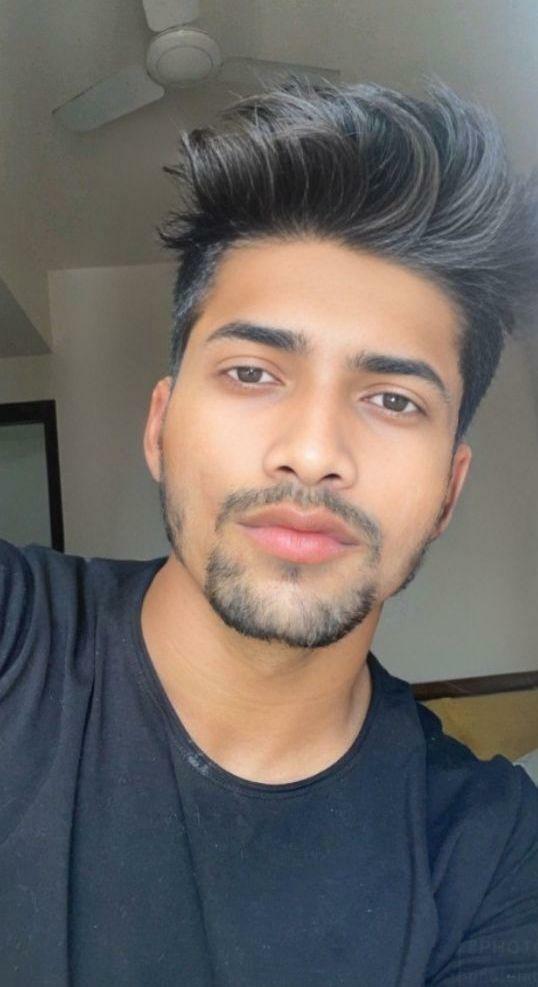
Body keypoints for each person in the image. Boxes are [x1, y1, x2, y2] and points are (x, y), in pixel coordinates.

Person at [1, 76, 537, 986]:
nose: (313, 452)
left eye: (393, 399)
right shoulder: (15, 639)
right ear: (160, 427)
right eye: (252, 372)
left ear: (449, 491)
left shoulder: (492, 857)